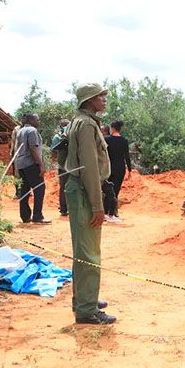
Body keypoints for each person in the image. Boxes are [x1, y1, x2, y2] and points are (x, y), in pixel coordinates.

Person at [65, 83, 114, 324]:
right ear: (89, 99)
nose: (104, 99)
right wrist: (97, 204)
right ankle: (87, 310)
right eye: (100, 96)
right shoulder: (85, 125)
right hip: (85, 191)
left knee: (83, 250)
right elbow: (90, 168)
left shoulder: (82, 121)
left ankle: (84, 300)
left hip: (80, 190)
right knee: (89, 253)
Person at [15, 113, 50, 224]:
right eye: (37, 120)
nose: (38, 122)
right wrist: (41, 164)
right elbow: (33, 148)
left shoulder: (20, 131)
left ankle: (25, 216)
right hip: (31, 163)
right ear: (31, 120)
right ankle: (37, 216)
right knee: (39, 188)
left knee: (24, 190)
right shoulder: (32, 131)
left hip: (20, 164)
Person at [105, 120, 132, 222]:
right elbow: (127, 156)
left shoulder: (107, 139)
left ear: (112, 128)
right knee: (115, 190)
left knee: (107, 190)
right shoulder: (124, 141)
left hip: (109, 167)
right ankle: (112, 213)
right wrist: (129, 170)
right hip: (120, 168)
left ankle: (106, 213)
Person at [51, 119, 70, 216]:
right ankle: (64, 208)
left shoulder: (56, 137)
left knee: (64, 187)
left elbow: (53, 152)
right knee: (65, 187)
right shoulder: (58, 137)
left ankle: (64, 208)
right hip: (69, 166)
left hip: (63, 165)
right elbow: (54, 151)